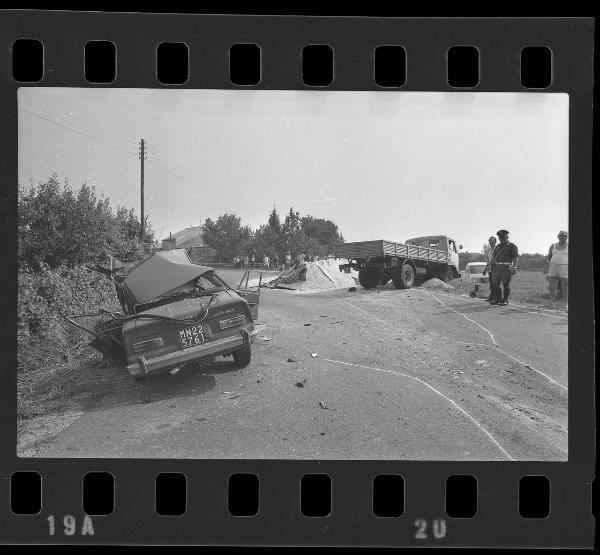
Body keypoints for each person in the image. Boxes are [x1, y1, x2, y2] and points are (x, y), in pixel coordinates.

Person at [489, 230, 519, 306]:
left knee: (506, 284)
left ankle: (505, 299)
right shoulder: (498, 247)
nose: (502, 239)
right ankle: (497, 298)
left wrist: (515, 267)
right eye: (500, 238)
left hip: (506, 266)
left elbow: (515, 258)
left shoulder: (512, 246)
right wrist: (490, 265)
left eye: (503, 237)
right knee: (495, 283)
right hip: (497, 267)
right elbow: (493, 257)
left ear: (507, 237)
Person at [547, 230, 568, 310]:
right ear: (558, 237)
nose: (562, 237)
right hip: (553, 267)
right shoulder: (553, 246)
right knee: (552, 286)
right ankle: (552, 303)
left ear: (567, 237)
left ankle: (566, 304)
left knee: (565, 287)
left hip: (565, 268)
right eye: (560, 236)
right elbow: (549, 257)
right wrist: (547, 269)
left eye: (564, 236)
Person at [482, 236, 497, 300]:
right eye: (489, 241)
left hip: (495, 267)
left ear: (495, 242)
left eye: (492, 241)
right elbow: (488, 261)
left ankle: (495, 297)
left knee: (495, 283)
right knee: (491, 283)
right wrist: (485, 270)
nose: (490, 242)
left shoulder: (497, 249)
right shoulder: (489, 250)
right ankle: (492, 296)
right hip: (490, 268)